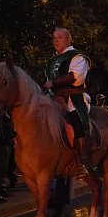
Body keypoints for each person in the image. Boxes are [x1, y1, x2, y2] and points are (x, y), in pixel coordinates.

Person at [43, 27, 92, 170]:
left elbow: (75, 77)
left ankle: (83, 161)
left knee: (77, 121)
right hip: (53, 98)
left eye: (59, 37)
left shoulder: (77, 56)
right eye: (54, 38)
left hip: (73, 97)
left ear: (68, 39)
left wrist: (54, 83)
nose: (56, 40)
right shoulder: (53, 60)